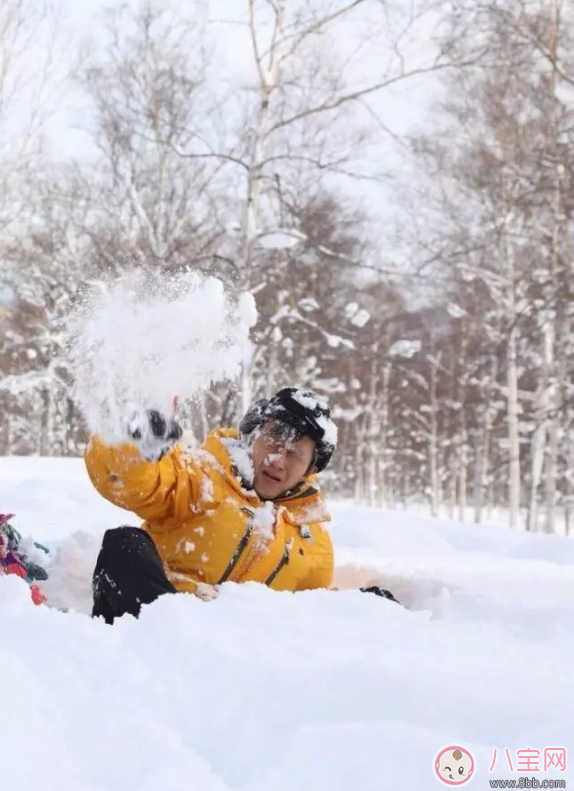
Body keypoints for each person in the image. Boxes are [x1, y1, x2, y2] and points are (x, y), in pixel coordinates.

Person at [85, 386, 399, 624]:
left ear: (309, 470)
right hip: (166, 620)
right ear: (252, 435)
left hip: (239, 651)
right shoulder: (202, 476)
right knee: (124, 545)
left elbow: (310, 615)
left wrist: (362, 607)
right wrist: (133, 445)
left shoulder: (315, 546)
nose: (278, 459)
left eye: (294, 454)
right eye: (273, 440)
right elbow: (133, 484)